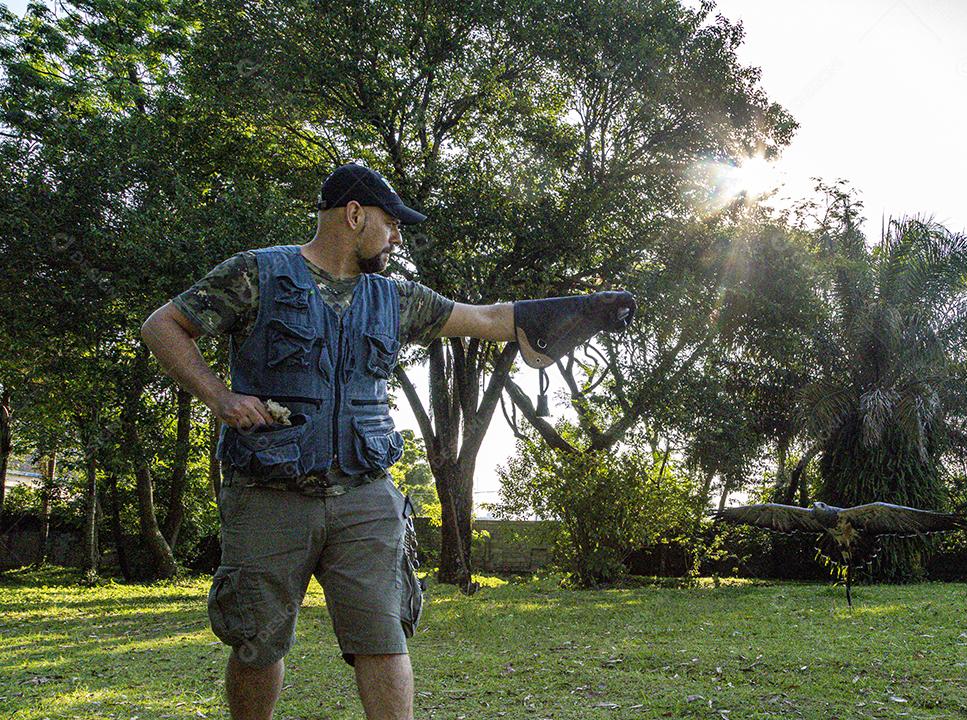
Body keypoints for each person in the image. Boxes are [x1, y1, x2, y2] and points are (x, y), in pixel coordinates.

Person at [140, 162, 635, 720]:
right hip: (267, 492)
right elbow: (163, 325)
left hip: (365, 495)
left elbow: (487, 317)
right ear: (354, 215)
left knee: (384, 635)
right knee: (257, 641)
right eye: (391, 223)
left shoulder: (396, 298)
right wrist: (219, 397)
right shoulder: (258, 273)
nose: (397, 236)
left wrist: (582, 309)